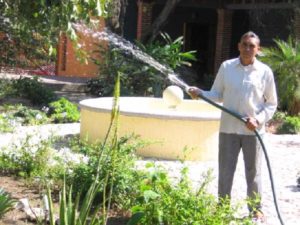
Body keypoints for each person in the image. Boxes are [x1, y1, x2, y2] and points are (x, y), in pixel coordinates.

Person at [188, 31, 277, 222]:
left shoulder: (265, 72)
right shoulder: (227, 67)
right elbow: (217, 94)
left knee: (253, 172)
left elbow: (271, 103)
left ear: (258, 50)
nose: (247, 48)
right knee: (225, 170)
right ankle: (222, 208)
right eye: (244, 44)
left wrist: (259, 120)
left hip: (253, 132)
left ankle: (255, 210)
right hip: (228, 130)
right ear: (238, 46)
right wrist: (200, 93)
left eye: (251, 46)